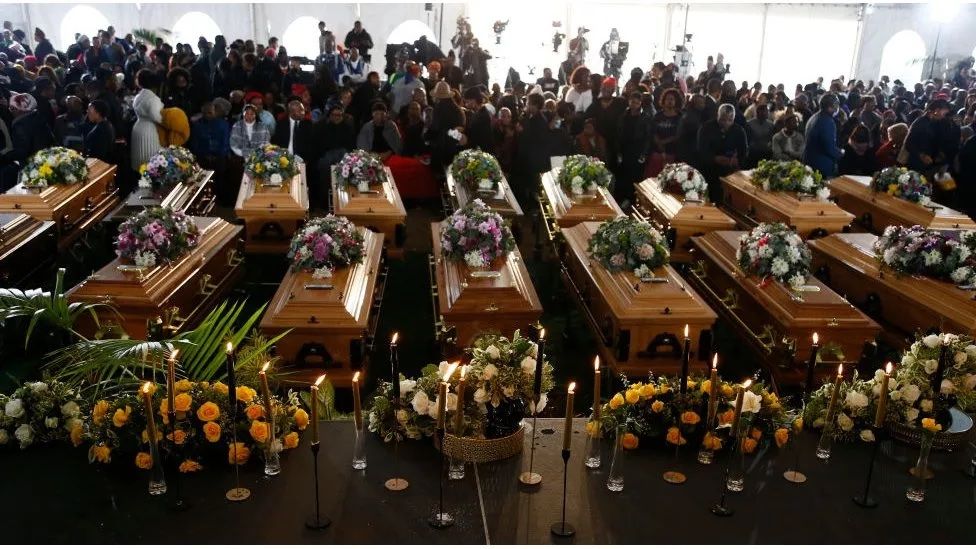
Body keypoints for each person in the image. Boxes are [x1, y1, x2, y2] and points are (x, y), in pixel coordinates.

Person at [697, 103, 748, 203]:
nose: (726, 123)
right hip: (709, 171)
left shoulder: (739, 130)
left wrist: (737, 160)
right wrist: (714, 158)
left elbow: (744, 151)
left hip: (729, 171)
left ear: (733, 119)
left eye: (730, 120)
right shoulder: (706, 128)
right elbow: (701, 150)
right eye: (723, 120)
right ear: (718, 116)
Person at [804, 93, 843, 179]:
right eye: (836, 105)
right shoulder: (828, 121)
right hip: (822, 167)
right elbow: (829, 148)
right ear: (830, 106)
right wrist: (841, 153)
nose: (837, 108)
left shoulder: (814, 117)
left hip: (809, 161)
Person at [130, 69, 164, 169]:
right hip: (149, 129)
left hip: (138, 127)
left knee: (139, 158)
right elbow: (157, 117)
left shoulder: (138, 96)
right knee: (150, 158)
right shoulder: (153, 98)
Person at [463, 87, 493, 153]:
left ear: (473, 101)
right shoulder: (479, 113)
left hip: (480, 153)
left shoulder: (482, 116)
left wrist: (455, 134)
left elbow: (474, 138)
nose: (466, 104)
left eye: (467, 102)